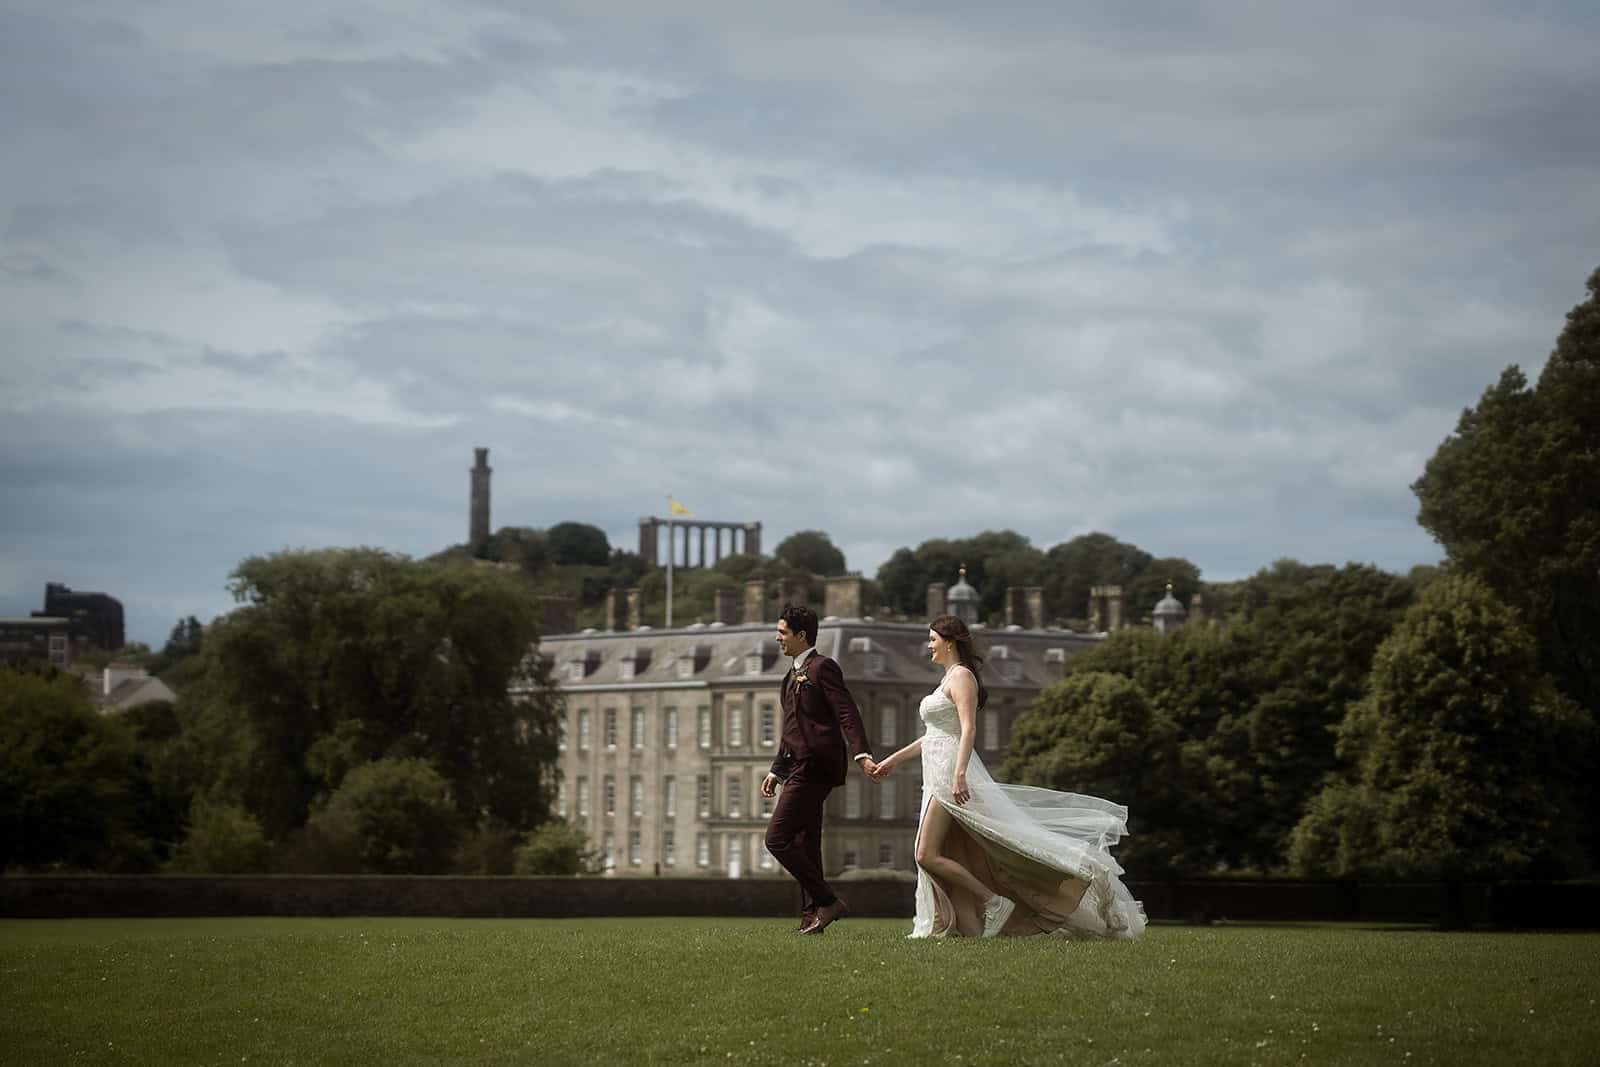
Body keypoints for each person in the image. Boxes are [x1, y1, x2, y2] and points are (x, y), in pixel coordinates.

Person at [869, 614, 1146, 939]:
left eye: (932, 639)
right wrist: (892, 761)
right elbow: (932, 736)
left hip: (948, 772)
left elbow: (969, 728)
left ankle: (993, 901)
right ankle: (967, 927)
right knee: (957, 854)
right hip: (934, 772)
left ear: (949, 641)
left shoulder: (962, 678)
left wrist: (959, 774)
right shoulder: (945, 680)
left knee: (924, 853)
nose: (928, 646)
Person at [762, 604, 876, 934]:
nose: (777, 637)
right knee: (805, 842)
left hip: (816, 767)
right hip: (796, 766)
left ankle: (828, 902)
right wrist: (776, 770)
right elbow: (790, 730)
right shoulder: (789, 677)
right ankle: (811, 918)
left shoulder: (823, 667)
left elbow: (847, 713)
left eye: (782, 631)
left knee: (777, 839)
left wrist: (862, 754)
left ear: (801, 635)